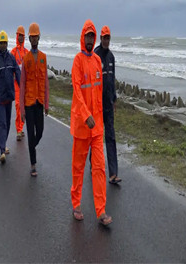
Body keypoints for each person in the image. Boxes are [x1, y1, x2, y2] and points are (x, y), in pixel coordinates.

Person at [70, 20, 112, 226]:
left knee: (99, 168)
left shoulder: (97, 61)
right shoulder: (77, 61)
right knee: (78, 167)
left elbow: (100, 92)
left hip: (97, 127)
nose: (89, 39)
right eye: (86, 36)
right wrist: (86, 115)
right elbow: (77, 91)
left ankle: (101, 210)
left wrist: (101, 118)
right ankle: (76, 203)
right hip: (81, 125)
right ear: (82, 38)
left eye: (91, 36)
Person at [19, 23, 49, 176]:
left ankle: (32, 146)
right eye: (32, 37)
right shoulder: (26, 59)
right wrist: (22, 109)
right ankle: (33, 164)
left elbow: (46, 82)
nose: (34, 39)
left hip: (40, 102)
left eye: (36, 36)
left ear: (39, 37)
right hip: (29, 102)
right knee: (30, 133)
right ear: (29, 39)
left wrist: (47, 103)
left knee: (40, 132)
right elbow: (22, 84)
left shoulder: (43, 57)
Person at [0, 31, 21, 163]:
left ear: (7, 44)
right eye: (0, 43)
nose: (2, 45)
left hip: (9, 97)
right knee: (2, 123)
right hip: (0, 98)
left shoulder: (12, 58)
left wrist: (22, 92)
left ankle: (4, 144)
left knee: (7, 123)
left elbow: (18, 74)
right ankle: (2, 150)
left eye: (4, 43)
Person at [93, 25, 121, 184]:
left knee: (110, 137)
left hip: (109, 105)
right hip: (97, 105)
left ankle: (113, 173)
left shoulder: (111, 57)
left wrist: (114, 99)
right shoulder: (96, 56)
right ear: (100, 38)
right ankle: (93, 166)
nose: (106, 40)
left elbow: (112, 80)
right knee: (96, 137)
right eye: (104, 37)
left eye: (108, 38)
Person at [11, 25, 29, 141]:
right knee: (18, 106)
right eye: (19, 36)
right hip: (16, 84)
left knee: (24, 107)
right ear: (17, 36)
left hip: (25, 84)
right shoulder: (13, 52)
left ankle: (21, 127)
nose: (21, 38)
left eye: (22, 36)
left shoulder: (27, 53)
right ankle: (18, 130)